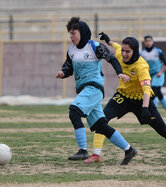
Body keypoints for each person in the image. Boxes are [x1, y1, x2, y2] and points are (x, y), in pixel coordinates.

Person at [83, 32, 166, 163]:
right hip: (123, 97)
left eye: (128, 51)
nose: (124, 54)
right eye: (123, 50)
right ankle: (96, 154)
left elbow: (146, 89)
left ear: (135, 51)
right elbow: (116, 47)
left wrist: (145, 108)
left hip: (141, 100)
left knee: (162, 130)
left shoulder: (141, 66)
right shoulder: (119, 54)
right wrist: (109, 41)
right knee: (101, 120)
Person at [56, 17, 136, 165]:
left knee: (74, 112)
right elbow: (68, 67)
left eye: (74, 33)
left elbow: (112, 58)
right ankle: (129, 149)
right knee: (101, 126)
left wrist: (119, 72)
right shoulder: (71, 50)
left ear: (83, 33)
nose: (71, 36)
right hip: (85, 91)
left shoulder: (95, 46)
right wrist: (63, 73)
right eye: (70, 33)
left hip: (93, 88)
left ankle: (83, 150)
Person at [141, 35, 166, 120]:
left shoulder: (158, 51)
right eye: (146, 41)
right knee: (159, 94)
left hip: (158, 75)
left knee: (153, 92)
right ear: (144, 42)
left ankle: (154, 113)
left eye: (149, 41)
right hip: (149, 76)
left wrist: (160, 72)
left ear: (152, 41)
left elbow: (165, 62)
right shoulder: (142, 53)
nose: (148, 43)